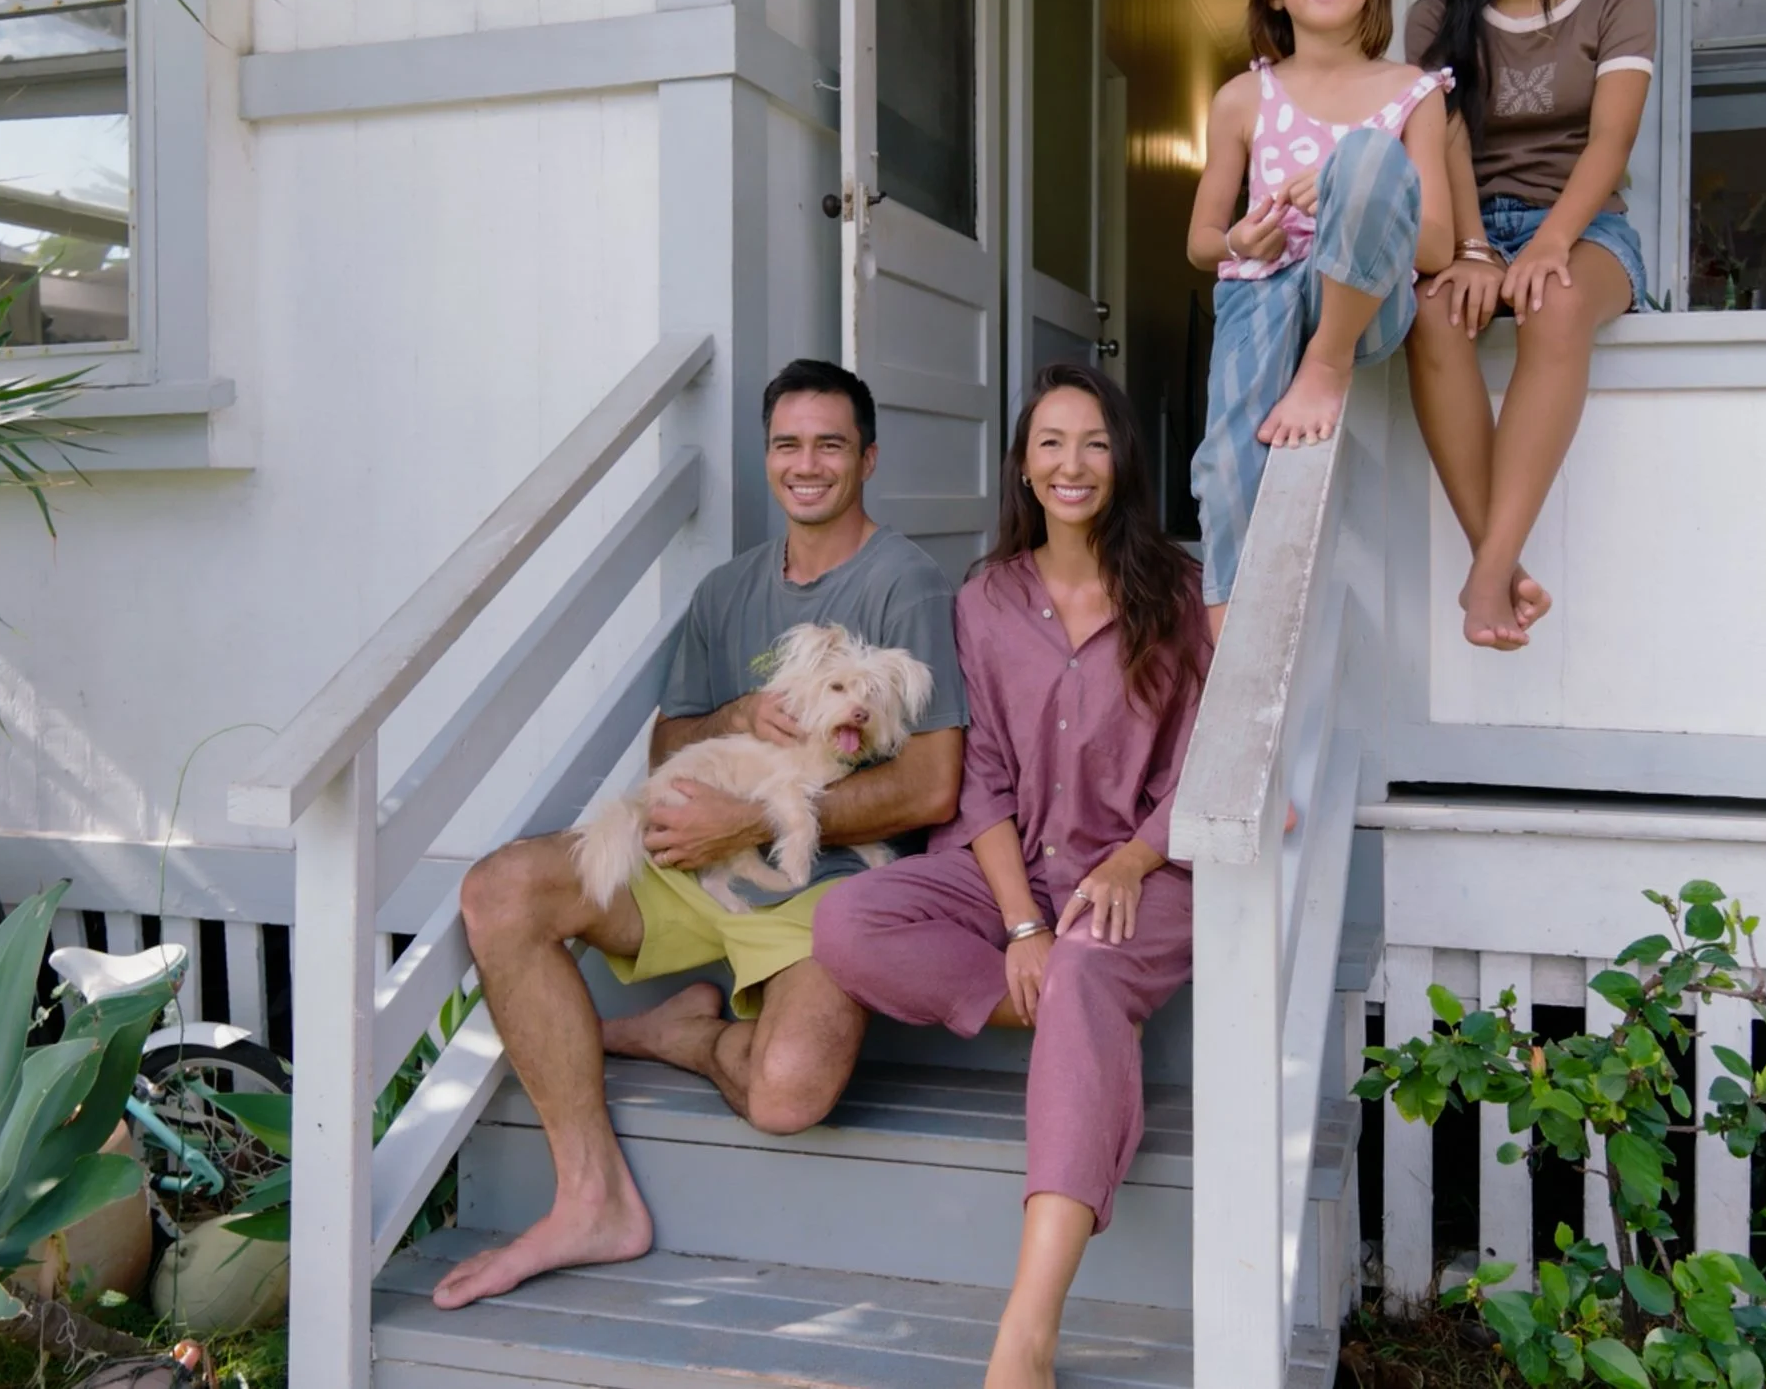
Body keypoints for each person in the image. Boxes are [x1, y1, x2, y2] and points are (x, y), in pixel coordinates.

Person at [431, 358, 969, 1310]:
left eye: (830, 444)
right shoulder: (728, 592)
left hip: (827, 889)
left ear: (868, 458)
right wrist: (730, 720)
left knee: (787, 1093)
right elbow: (667, 744)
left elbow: (933, 784)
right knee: (501, 888)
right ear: (767, 457)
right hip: (698, 867)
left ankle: (680, 1036)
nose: (807, 464)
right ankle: (590, 1196)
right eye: (788, 444)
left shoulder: (907, 582)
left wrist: (761, 814)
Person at [813, 362, 1212, 1389]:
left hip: (1146, 871)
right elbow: (979, 771)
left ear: (1121, 458)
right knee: (850, 921)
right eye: (1049, 442)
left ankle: (1025, 1334)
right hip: (1020, 869)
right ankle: (1074, 1017)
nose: (1070, 463)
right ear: (1023, 466)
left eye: (1092, 441)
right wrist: (1023, 924)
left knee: (1085, 967)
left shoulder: (1172, 590)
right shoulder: (986, 597)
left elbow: (1206, 760)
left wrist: (1131, 855)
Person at [1404, 0, 1657, 650]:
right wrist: (1473, 247)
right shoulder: (1435, 17)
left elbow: (1611, 141)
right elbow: (1441, 141)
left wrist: (1550, 240)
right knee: (1431, 315)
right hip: (1474, 223)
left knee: (1552, 305)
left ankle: (1486, 570)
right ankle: (1500, 567)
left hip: (1587, 228)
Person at [1186, 0, 1456, 630]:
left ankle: (1325, 364)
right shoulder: (1245, 95)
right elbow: (1202, 241)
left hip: (1359, 303)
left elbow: (1433, 244)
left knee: (1367, 157)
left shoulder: (1413, 91)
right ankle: (1229, 638)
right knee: (1227, 459)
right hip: (1263, 293)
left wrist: (1343, 185)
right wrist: (1243, 237)